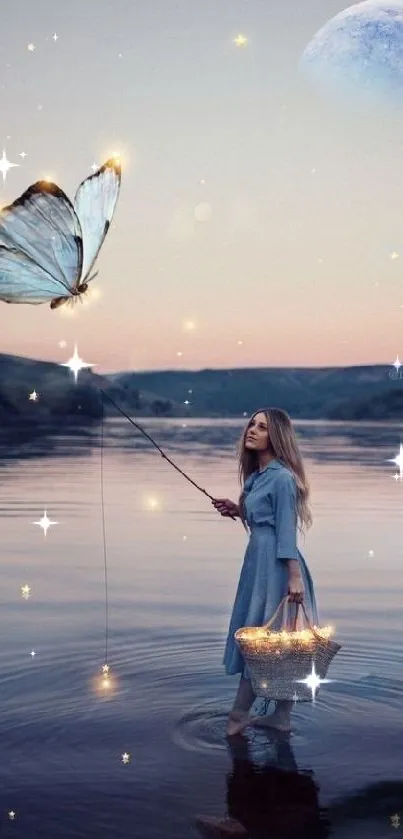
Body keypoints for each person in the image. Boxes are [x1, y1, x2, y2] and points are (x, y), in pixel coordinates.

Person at [212, 407, 319, 737]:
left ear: (277, 437)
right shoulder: (259, 476)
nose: (253, 430)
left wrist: (294, 576)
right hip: (257, 566)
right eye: (251, 424)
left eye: (262, 427)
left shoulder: (283, 478)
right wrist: (239, 509)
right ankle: (280, 719)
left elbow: (285, 529)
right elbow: (264, 518)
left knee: (264, 641)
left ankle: (238, 714)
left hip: (277, 567)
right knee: (273, 640)